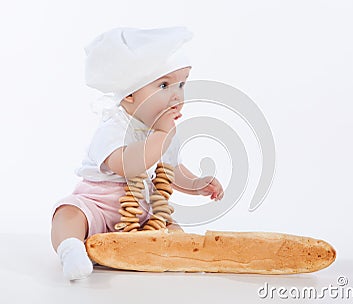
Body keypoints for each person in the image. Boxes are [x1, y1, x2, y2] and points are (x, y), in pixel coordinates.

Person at [51, 27, 224, 281]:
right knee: (68, 212)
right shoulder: (112, 128)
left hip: (142, 213)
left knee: (172, 227)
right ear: (129, 94)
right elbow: (129, 165)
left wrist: (196, 184)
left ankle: (182, 254)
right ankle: (71, 249)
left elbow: (171, 171)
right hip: (99, 207)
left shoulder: (163, 131)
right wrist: (161, 137)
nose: (177, 95)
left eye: (181, 84)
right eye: (164, 85)